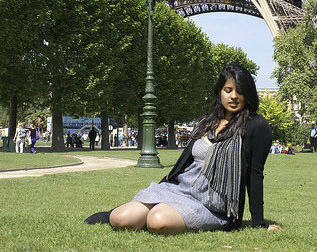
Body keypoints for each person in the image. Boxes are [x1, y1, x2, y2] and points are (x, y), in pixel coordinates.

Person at [85, 63, 281, 233]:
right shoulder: (206, 122)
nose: (234, 96)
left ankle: (157, 212)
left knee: (157, 221)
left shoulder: (256, 125)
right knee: (120, 218)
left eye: (240, 91)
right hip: (179, 188)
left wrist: (258, 222)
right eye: (228, 90)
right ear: (219, 91)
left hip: (211, 203)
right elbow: (185, 163)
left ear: (248, 94)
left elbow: (255, 175)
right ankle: (146, 209)